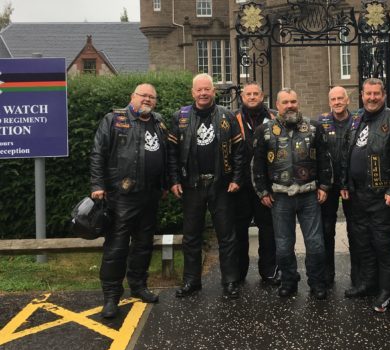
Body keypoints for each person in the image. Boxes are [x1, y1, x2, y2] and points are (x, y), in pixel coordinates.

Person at [90, 83, 168, 318]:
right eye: (143, 95)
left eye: (151, 97)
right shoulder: (114, 119)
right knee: (117, 246)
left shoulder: (159, 121)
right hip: (121, 195)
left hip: (150, 195)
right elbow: (98, 153)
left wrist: (164, 184)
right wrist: (97, 185)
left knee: (144, 244)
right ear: (132, 97)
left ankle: (138, 286)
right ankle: (112, 296)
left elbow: (166, 154)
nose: (147, 100)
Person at [168, 73, 246, 299]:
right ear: (193, 93)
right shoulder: (180, 117)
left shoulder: (227, 116)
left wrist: (236, 179)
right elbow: (172, 154)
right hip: (191, 185)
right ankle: (191, 281)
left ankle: (230, 281)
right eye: (199, 90)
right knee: (191, 236)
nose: (203, 93)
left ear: (214, 91)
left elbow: (239, 153)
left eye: (207, 89)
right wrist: (174, 180)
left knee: (227, 236)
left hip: (221, 185)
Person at [341, 78, 390, 313]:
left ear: (384, 95)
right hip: (357, 195)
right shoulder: (356, 119)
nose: (372, 98)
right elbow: (346, 152)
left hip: (383, 196)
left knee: (384, 245)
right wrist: (345, 182)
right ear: (362, 95)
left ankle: (387, 291)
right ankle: (368, 283)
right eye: (368, 94)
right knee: (363, 243)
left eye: (376, 94)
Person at [252, 88, 332, 299]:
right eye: (285, 102)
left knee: (315, 244)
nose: (290, 105)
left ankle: (317, 282)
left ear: (298, 102)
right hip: (279, 198)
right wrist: (262, 192)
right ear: (276, 105)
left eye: (293, 101)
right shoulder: (264, 130)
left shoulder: (313, 128)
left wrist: (324, 186)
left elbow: (325, 158)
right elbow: (257, 165)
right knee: (284, 246)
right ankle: (289, 280)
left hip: (309, 196)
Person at [233, 82, 280, 285]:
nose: (252, 97)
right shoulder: (232, 118)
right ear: (242, 97)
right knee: (239, 231)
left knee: (268, 231)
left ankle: (269, 271)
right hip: (240, 186)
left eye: (256, 94)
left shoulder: (274, 117)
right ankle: (238, 272)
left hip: (266, 186)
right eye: (248, 94)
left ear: (262, 96)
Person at [317, 86, 354, 287]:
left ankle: (358, 275)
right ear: (329, 101)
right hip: (328, 184)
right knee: (326, 230)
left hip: (353, 185)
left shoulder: (358, 121)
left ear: (348, 100)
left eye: (341, 98)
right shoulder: (320, 122)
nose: (337, 102)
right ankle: (327, 274)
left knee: (356, 231)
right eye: (334, 99)